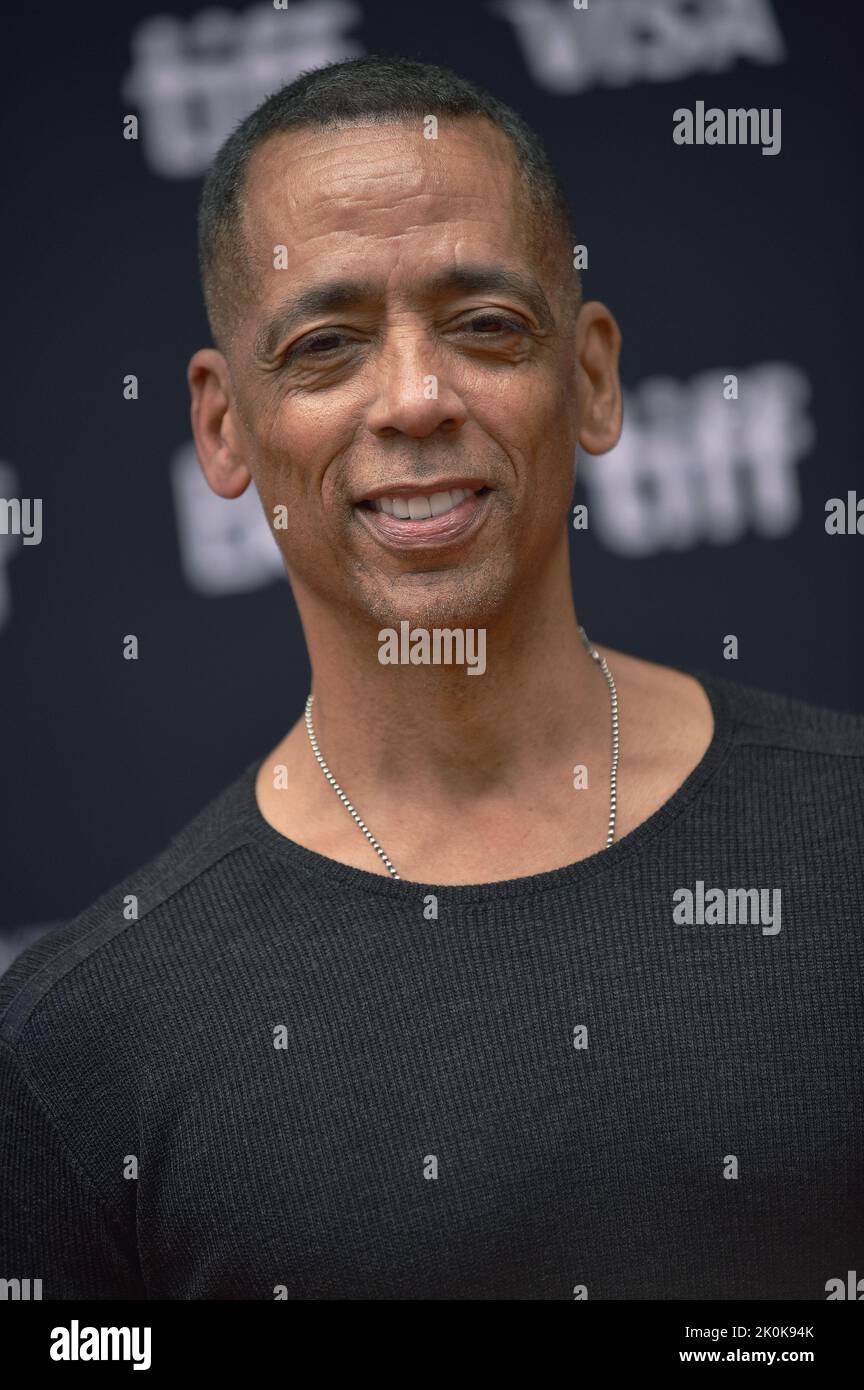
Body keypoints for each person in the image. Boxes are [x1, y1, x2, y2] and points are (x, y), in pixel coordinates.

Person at [1, 56, 861, 1301]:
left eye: (484, 326)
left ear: (594, 377)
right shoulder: (75, 1050)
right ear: (224, 426)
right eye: (327, 344)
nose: (414, 399)